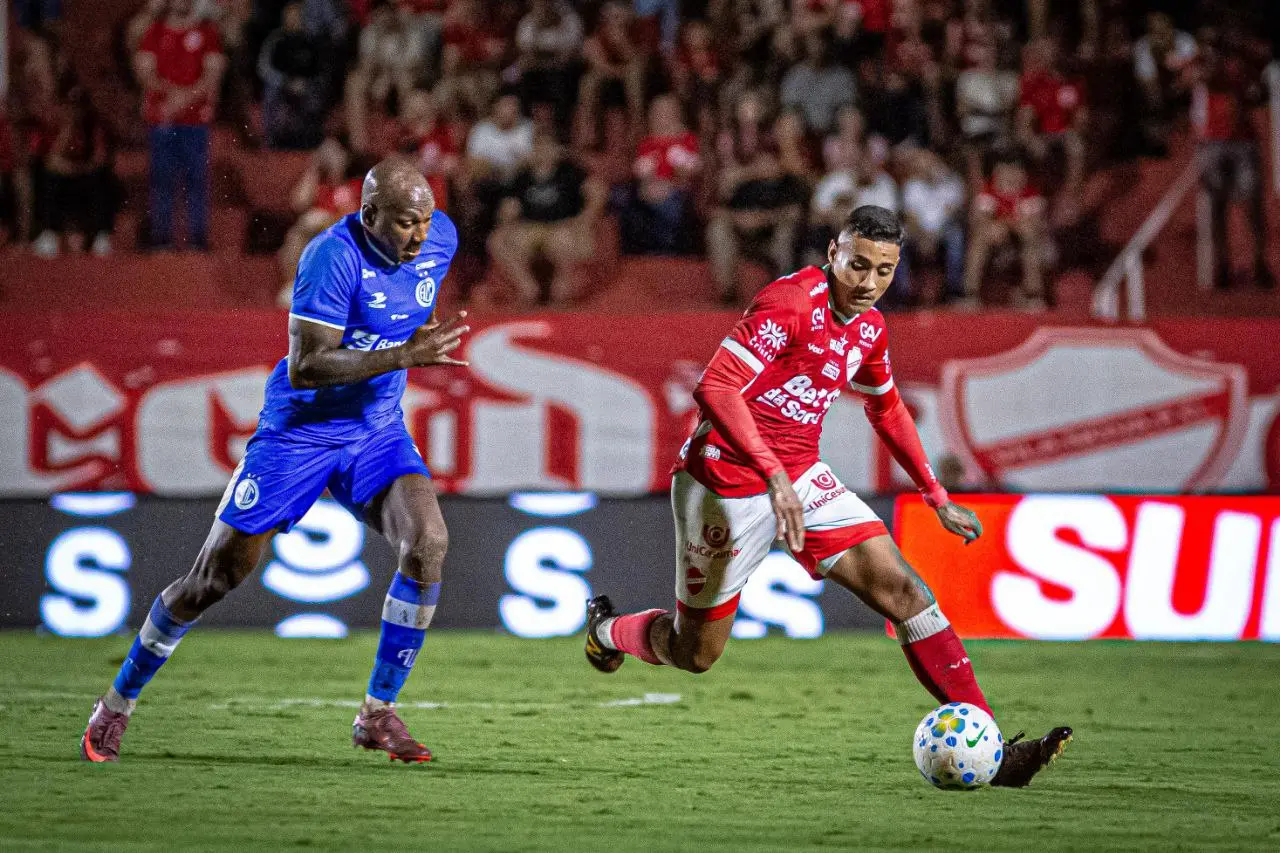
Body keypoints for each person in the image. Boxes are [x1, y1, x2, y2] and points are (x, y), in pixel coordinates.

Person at [583, 205, 1071, 788]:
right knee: (697, 655)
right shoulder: (789, 304)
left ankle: (989, 748)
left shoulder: (869, 327)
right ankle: (608, 630)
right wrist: (771, 474)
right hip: (725, 481)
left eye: (883, 271)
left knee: (907, 593)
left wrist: (935, 493)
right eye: (857, 265)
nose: (868, 283)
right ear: (832, 253)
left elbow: (885, 406)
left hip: (801, 476)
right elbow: (715, 385)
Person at [81, 159, 469, 764]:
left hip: (375, 431)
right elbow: (306, 367)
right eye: (403, 224)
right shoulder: (330, 258)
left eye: (423, 221)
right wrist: (403, 356)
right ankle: (116, 703)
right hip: (300, 435)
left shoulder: (439, 239)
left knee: (428, 544)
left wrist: (399, 358)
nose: (419, 236)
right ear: (368, 216)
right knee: (214, 579)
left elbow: (412, 282)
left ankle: (377, 714)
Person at [134, 0, 227, 251]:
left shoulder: (207, 33)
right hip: (163, 118)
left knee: (196, 179)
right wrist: (170, 94)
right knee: (162, 179)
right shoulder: (154, 31)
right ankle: (161, 239)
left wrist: (184, 98)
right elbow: (144, 70)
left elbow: (212, 73)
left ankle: (197, 240)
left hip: (195, 120)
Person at [486, 132, 605, 305]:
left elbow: (597, 192)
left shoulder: (570, 172)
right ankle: (527, 287)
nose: (543, 152)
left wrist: (584, 220)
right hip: (529, 228)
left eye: (547, 147)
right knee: (496, 241)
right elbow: (509, 208)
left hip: (561, 227)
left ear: (556, 150)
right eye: (538, 147)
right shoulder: (522, 176)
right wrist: (506, 222)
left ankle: (561, 289)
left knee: (563, 241)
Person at [30, 84, 117, 257]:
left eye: (78, 105)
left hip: (84, 176)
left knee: (102, 181)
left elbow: (99, 159)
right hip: (62, 177)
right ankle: (49, 234)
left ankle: (101, 237)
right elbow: (51, 161)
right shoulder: (54, 123)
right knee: (47, 180)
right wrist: (66, 130)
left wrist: (78, 169)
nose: (74, 109)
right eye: (70, 105)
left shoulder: (94, 124)